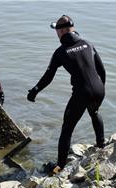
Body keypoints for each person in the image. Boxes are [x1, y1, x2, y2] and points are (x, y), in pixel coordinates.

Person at [27, 15, 106, 175]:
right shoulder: (88, 44)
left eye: (56, 30)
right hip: (99, 89)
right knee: (94, 112)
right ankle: (101, 146)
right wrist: (99, 89)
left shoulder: (61, 52)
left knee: (67, 129)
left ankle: (60, 167)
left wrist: (35, 90)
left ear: (62, 31)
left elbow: (49, 76)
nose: (56, 33)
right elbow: (102, 71)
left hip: (81, 94)